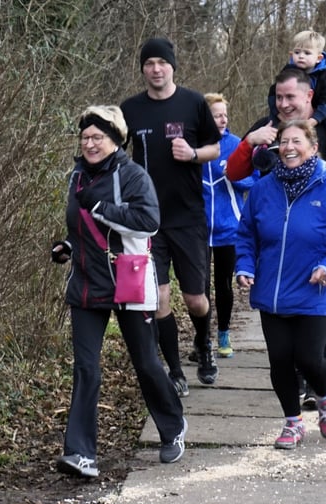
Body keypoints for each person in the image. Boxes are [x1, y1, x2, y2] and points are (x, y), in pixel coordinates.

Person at [50, 106, 187, 478]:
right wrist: (67, 246)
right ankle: (81, 453)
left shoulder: (132, 175)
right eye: (85, 137)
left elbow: (148, 222)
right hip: (85, 281)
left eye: (98, 137)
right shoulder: (76, 176)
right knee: (86, 368)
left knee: (145, 362)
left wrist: (101, 207)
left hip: (128, 278)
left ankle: (173, 428)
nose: (90, 144)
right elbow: (81, 227)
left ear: (116, 140)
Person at [227, 65, 326, 408]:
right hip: (274, 236)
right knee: (281, 355)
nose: (283, 104)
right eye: (278, 97)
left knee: (311, 349)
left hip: (319, 239)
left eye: (290, 96)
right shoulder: (266, 128)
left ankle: (314, 383)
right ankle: (295, 400)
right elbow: (234, 173)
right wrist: (249, 143)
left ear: (308, 96)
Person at [234, 121, 326, 449]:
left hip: (313, 292)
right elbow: (247, 234)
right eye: (283, 142)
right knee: (279, 361)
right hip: (272, 294)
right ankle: (292, 422)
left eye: (297, 141)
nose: (289, 147)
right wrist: (245, 266)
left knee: (308, 359)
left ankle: (325, 398)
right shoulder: (263, 189)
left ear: (313, 148)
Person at [121, 38, 223, 396]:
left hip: (189, 215)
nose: (155, 69)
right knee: (159, 297)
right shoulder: (130, 109)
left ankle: (204, 343)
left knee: (195, 299)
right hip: (148, 220)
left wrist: (194, 153)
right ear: (143, 69)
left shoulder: (193, 103)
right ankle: (175, 371)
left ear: (172, 67)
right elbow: (114, 155)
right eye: (148, 63)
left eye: (161, 63)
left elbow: (215, 147)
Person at [202, 92, 256, 358]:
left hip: (229, 227)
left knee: (223, 283)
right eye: (216, 115)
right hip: (198, 229)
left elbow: (254, 181)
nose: (222, 119)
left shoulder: (237, 145)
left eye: (225, 114)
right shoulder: (195, 145)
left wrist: (234, 176)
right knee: (199, 287)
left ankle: (223, 333)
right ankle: (202, 340)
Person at [266, 29, 326, 168]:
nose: (301, 57)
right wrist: (278, 113)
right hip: (294, 108)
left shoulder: (324, 74)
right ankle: (275, 141)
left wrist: (314, 120)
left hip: (321, 104)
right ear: (291, 55)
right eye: (297, 52)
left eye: (307, 53)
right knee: (276, 110)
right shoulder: (288, 71)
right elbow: (274, 93)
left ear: (318, 58)